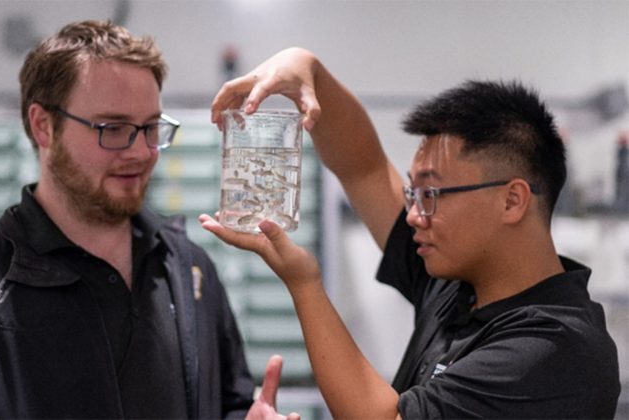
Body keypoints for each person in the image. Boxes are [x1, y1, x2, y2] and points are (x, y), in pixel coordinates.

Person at [200, 47, 620, 419]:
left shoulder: (555, 349)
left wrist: (304, 283)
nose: (415, 215)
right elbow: (363, 167)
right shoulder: (456, 288)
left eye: (431, 194)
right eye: (413, 194)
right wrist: (310, 72)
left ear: (512, 200)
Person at [0, 20, 255, 418]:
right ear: (43, 126)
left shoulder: (188, 268)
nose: (141, 153)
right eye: (113, 128)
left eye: (150, 127)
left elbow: (231, 402)